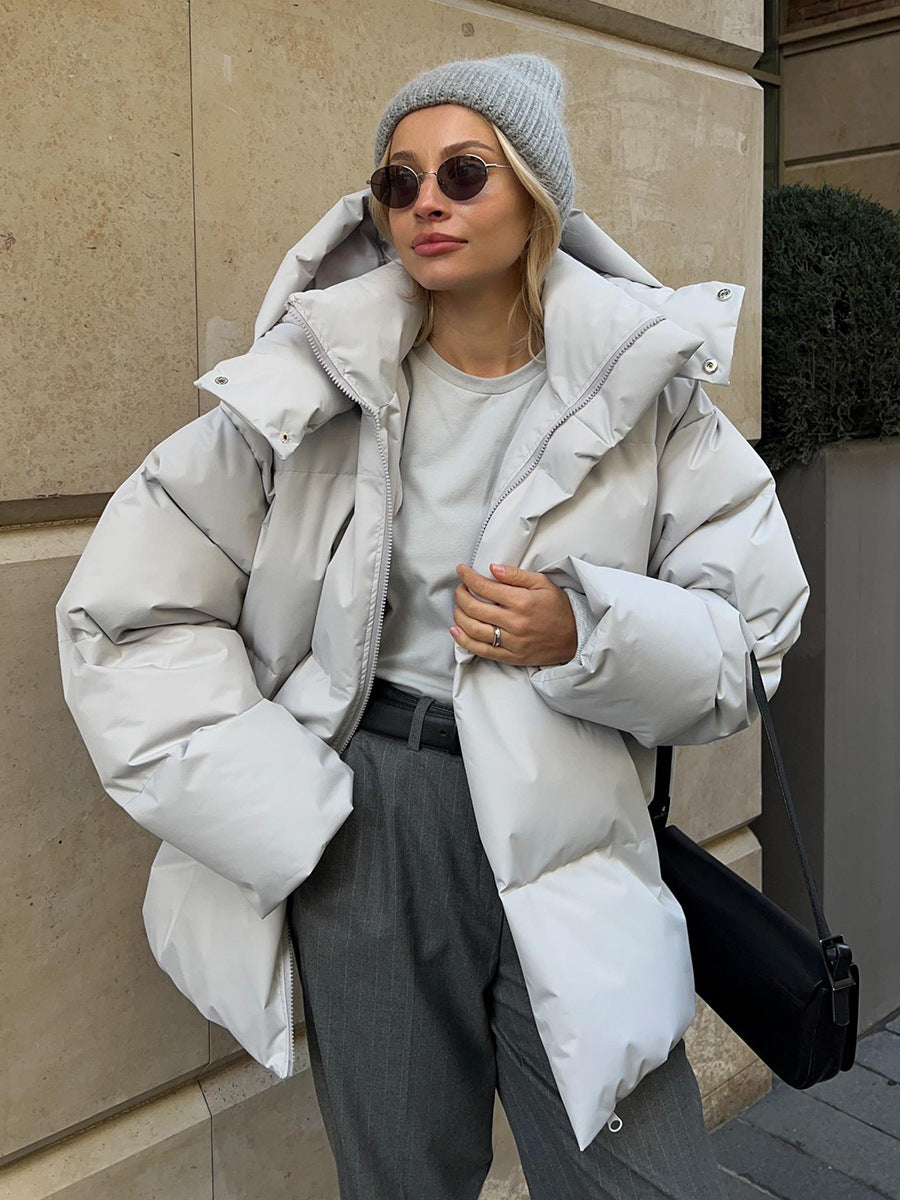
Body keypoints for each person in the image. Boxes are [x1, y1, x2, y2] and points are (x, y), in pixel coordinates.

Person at [56, 52, 809, 1199]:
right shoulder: (309, 388)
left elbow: (751, 636)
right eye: (398, 184)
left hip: (568, 811)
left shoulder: (646, 396)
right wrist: (280, 793)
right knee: (403, 1178)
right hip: (372, 823)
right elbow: (128, 613)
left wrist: (586, 629)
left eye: (463, 172)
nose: (427, 206)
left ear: (536, 197)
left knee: (645, 1177)